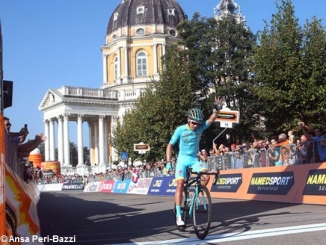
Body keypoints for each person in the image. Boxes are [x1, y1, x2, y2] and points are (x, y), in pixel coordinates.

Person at [166, 96, 224, 226]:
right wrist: (168, 162)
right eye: (193, 123)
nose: (195, 125)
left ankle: (193, 197)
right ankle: (179, 215)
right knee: (180, 183)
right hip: (182, 159)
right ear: (188, 120)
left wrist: (217, 109)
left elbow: (211, 119)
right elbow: (170, 145)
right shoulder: (180, 129)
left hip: (193, 159)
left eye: (198, 123)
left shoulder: (200, 128)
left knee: (206, 177)